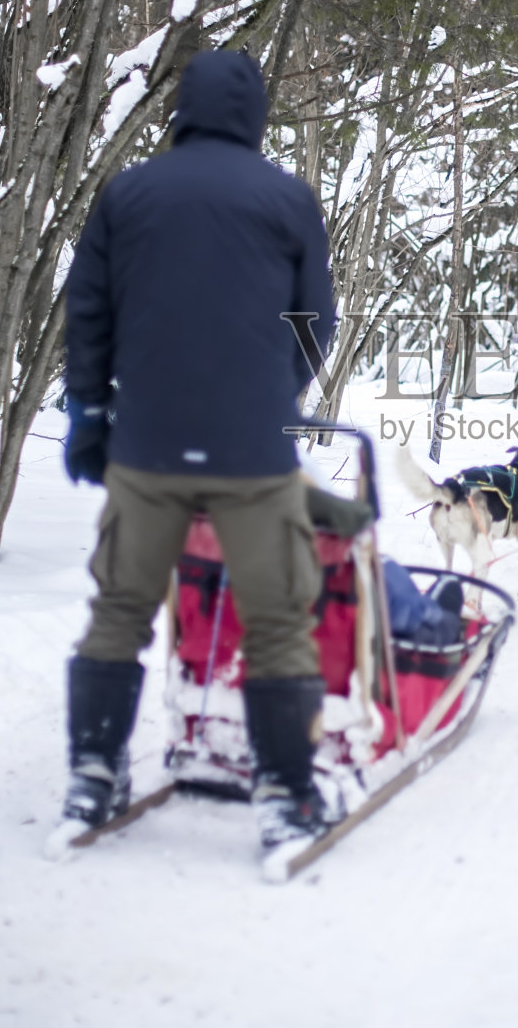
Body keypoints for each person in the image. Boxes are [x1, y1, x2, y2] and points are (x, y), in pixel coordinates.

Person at [57, 49, 336, 857]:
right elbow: (314, 320)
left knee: (118, 611)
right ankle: (285, 796)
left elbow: (89, 311)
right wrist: (268, 391)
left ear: (183, 108)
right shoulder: (287, 198)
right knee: (278, 620)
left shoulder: (129, 192)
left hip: (145, 445)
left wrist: (91, 412)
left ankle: (92, 777)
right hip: (254, 452)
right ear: (254, 116)